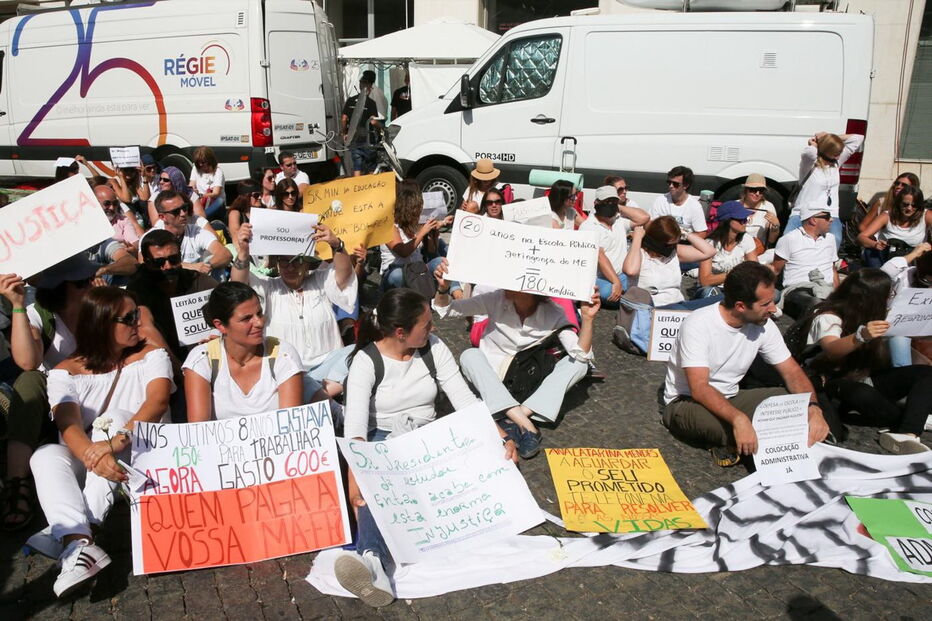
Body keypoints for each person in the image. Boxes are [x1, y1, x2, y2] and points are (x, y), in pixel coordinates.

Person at [334, 288, 517, 607]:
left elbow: (464, 400)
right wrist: (355, 483)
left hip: (428, 439)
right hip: (382, 442)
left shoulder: (433, 347)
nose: (433, 328)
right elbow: (356, 432)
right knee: (377, 496)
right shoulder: (367, 361)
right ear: (400, 332)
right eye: (426, 324)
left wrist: (500, 436)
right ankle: (373, 563)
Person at [27, 287, 172, 597]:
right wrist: (98, 455)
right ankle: (80, 544)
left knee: (115, 417)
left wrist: (115, 441)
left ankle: (79, 532)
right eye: (129, 318)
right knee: (45, 455)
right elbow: (67, 423)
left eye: (137, 314)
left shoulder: (152, 354)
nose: (138, 322)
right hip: (98, 461)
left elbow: (157, 402)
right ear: (102, 323)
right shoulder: (64, 371)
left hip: (145, 451)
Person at [662, 262, 832, 466]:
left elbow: (792, 372)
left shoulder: (764, 325)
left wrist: (812, 407)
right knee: (747, 432)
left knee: (797, 403)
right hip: (685, 403)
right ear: (741, 306)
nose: (774, 309)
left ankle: (742, 441)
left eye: (772, 301)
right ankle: (736, 441)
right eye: (765, 304)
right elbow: (699, 388)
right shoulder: (698, 324)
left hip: (731, 397)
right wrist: (739, 419)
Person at [434, 260, 600, 458]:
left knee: (579, 365)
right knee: (469, 355)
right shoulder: (496, 298)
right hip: (493, 379)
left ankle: (514, 414)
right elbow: (447, 310)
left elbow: (581, 354)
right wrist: (443, 289)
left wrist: (588, 319)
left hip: (528, 383)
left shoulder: (553, 312)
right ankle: (527, 424)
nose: (505, 284)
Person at [0, 255, 98, 531]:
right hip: (58, 396)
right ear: (61, 288)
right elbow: (27, 361)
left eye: (90, 279)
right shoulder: (38, 313)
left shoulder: (101, 304)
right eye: (82, 282)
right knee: (28, 381)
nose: (91, 285)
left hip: (99, 388)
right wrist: (17, 306)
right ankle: (17, 482)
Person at [793, 268, 932, 454]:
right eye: (888, 294)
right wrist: (861, 336)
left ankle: (908, 433)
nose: (891, 297)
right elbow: (832, 349)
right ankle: (914, 416)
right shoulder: (828, 315)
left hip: (867, 375)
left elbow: (909, 335)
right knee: (862, 395)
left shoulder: (880, 314)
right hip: (832, 381)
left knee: (925, 373)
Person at [231, 221, 356, 396]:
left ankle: (316, 396)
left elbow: (344, 275)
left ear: (307, 263)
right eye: (283, 261)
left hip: (328, 368)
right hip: (289, 372)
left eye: (296, 261)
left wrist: (337, 245)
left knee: (356, 352)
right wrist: (243, 253)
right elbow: (238, 285)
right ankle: (319, 397)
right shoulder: (269, 287)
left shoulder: (320, 280)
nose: (290, 267)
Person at [183, 282, 304, 421]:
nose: (259, 323)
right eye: (246, 318)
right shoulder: (201, 360)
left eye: (259, 313)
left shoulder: (283, 354)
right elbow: (199, 428)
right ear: (220, 325)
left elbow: (291, 424)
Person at [613, 216, 718, 354]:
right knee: (695, 310)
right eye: (669, 244)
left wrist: (684, 233)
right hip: (655, 311)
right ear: (656, 241)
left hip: (679, 305)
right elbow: (630, 271)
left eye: (675, 243)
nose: (671, 247)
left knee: (721, 300)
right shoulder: (640, 254)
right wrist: (637, 238)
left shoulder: (674, 253)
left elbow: (709, 252)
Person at [126, 229, 218, 363]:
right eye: (159, 262)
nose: (167, 266)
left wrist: (219, 333)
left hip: (203, 357)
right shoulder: (138, 288)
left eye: (173, 259)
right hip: (162, 361)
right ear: (147, 262)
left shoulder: (197, 280)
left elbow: (227, 305)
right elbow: (145, 329)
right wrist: (177, 369)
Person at [785, 131, 865, 249]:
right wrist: (816, 143)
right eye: (836, 153)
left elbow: (858, 138)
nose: (839, 155)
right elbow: (809, 153)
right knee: (788, 241)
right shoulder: (810, 165)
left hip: (829, 213)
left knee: (835, 240)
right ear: (827, 151)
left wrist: (828, 136)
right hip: (803, 212)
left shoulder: (836, 163)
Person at [579, 185, 649, 306]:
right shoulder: (588, 226)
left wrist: (619, 207)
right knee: (608, 292)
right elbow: (600, 257)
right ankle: (631, 298)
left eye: (614, 202)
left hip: (623, 274)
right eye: (607, 202)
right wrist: (616, 282)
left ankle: (629, 297)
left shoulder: (618, 221)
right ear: (596, 203)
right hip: (601, 277)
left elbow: (644, 217)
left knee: (647, 282)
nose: (610, 205)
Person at [140, 190, 232, 274]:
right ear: (162, 217)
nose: (183, 214)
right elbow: (142, 264)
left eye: (184, 208)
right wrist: (190, 267)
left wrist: (206, 266)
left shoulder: (197, 232)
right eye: (176, 211)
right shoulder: (150, 237)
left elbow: (225, 254)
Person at [772, 204, 840, 318]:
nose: (831, 219)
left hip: (826, 288)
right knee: (815, 303)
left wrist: (838, 294)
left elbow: (832, 270)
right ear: (813, 220)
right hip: (798, 290)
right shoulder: (789, 239)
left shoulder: (830, 239)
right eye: (827, 216)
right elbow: (775, 270)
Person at [379, 186, 443, 290]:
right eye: (417, 209)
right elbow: (403, 252)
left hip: (417, 270)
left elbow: (432, 251)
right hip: (395, 271)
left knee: (441, 262)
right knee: (398, 275)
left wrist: (433, 234)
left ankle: (456, 294)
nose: (420, 213)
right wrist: (422, 233)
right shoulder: (389, 226)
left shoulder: (415, 225)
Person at [695, 201, 759, 299]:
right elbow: (705, 281)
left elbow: (755, 270)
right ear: (728, 221)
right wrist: (734, 274)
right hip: (714, 288)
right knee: (709, 292)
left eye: (746, 219)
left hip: (736, 288)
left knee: (773, 294)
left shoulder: (747, 239)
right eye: (741, 219)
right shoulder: (709, 244)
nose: (745, 222)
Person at [858, 184, 929, 268]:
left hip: (913, 262)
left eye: (914, 205)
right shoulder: (886, 216)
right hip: (886, 259)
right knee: (870, 252)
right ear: (899, 203)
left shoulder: (926, 215)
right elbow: (861, 237)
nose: (909, 208)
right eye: (905, 204)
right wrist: (875, 244)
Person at [648, 166, 708, 237]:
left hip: (683, 240)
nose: (671, 186)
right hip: (661, 239)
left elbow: (702, 233)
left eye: (675, 184)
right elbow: (649, 223)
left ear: (685, 186)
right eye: (669, 182)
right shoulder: (660, 200)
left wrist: (682, 236)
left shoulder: (695, 206)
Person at [342, 75, 380, 176]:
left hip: (354, 139)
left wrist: (344, 133)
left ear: (360, 85)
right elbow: (373, 122)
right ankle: (372, 185)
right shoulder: (371, 103)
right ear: (369, 87)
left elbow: (344, 119)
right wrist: (381, 128)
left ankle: (357, 185)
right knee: (371, 166)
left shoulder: (350, 100)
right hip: (368, 139)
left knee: (357, 166)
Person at [96, 183, 143, 255]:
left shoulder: (123, 220)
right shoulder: (86, 221)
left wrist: (133, 248)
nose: (112, 207)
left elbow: (134, 241)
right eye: (107, 203)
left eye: (115, 203)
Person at [739, 173, 780, 249]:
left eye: (761, 191)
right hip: (737, 247)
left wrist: (776, 226)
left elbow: (771, 240)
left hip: (758, 249)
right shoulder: (735, 205)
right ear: (746, 190)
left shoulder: (768, 207)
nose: (757, 193)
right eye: (753, 190)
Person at [188, 146, 226, 219]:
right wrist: (193, 190)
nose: (200, 165)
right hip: (200, 203)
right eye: (198, 162)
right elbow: (191, 185)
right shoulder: (195, 169)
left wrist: (200, 195)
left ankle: (201, 218)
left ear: (210, 161)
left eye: (203, 162)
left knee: (220, 201)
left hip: (214, 204)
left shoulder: (218, 172)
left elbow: (216, 193)